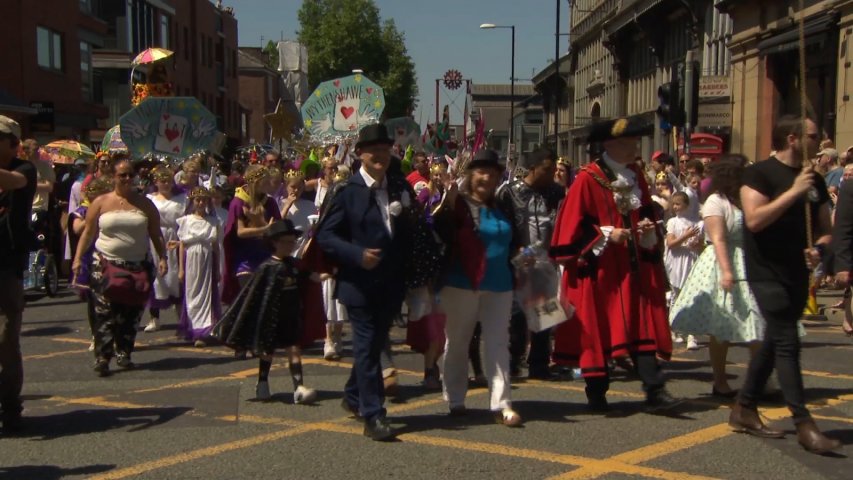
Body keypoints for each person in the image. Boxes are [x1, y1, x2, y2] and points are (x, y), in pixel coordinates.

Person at [550, 117, 681, 412]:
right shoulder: (588, 177)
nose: (635, 148)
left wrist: (649, 227)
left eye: (635, 142)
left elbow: (646, 210)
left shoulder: (636, 175)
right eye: (629, 143)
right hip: (602, 272)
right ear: (611, 145)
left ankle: (655, 390)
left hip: (634, 269)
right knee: (599, 330)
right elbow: (571, 229)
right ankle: (597, 392)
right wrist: (607, 234)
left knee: (642, 324)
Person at [732, 115, 840, 454]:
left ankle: (744, 408)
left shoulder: (815, 180)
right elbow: (755, 220)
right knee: (787, 341)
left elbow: (826, 227)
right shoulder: (759, 174)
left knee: (774, 339)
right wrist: (792, 192)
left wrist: (819, 249)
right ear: (792, 138)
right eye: (813, 135)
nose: (819, 140)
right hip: (766, 271)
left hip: (798, 271)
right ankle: (804, 423)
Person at [316, 123, 413, 441]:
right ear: (360, 155)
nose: (381, 157)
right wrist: (357, 254)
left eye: (386, 151)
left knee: (371, 346)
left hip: (391, 285)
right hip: (358, 285)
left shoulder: (399, 187)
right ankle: (374, 415)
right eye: (374, 152)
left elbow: (407, 233)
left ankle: (354, 396)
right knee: (368, 347)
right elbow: (326, 236)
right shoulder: (347, 191)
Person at [432, 149, 522, 426]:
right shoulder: (458, 204)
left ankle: (502, 403)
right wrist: (447, 203)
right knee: (458, 341)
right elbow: (440, 232)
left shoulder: (502, 205)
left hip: (500, 284)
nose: (487, 178)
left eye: (493, 174)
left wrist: (523, 259)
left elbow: (514, 240)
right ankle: (456, 398)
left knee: (498, 342)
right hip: (462, 283)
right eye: (482, 172)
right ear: (471, 175)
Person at [670, 156, 766, 397]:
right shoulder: (716, 201)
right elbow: (719, 239)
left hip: (747, 261)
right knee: (721, 327)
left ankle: (759, 381)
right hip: (722, 262)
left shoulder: (743, 199)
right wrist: (726, 271)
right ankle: (720, 381)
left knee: (758, 323)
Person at [72, 158, 168, 377]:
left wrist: (163, 257)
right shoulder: (101, 202)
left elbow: (156, 234)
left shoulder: (145, 204)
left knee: (131, 311)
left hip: (137, 264)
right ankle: (103, 357)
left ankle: (124, 352)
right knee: (103, 312)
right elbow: (87, 233)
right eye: (121, 175)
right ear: (113, 177)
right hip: (105, 263)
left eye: (129, 174)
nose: (126, 178)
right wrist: (77, 259)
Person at [217, 220, 318, 404]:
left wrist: (331, 272)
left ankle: (299, 388)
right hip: (270, 317)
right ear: (274, 243)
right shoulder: (267, 267)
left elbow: (312, 276)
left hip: (290, 316)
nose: (290, 245)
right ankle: (262, 382)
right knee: (267, 351)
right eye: (286, 242)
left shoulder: (295, 265)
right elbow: (254, 295)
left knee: (293, 349)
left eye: (292, 241)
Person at [496, 148, 564, 380]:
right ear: (533, 168)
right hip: (516, 261)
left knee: (545, 314)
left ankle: (540, 363)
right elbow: (501, 225)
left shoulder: (556, 193)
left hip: (544, 262)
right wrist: (513, 250)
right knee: (516, 316)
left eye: (554, 170)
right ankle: (513, 361)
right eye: (547, 170)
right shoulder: (509, 193)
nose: (551, 174)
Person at [0, 116, 36, 433]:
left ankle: (10, 406)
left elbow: (12, 182)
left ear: (13, 143)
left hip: (7, 267)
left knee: (6, 339)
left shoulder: (25, 170)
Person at [221, 165, 281, 305]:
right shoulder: (238, 202)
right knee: (249, 300)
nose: (269, 184)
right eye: (265, 181)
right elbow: (241, 232)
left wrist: (260, 222)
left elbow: (277, 228)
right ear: (256, 182)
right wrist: (265, 227)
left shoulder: (270, 202)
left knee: (266, 301)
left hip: (265, 255)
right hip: (245, 258)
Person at [69, 177, 114, 352]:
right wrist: (92, 215)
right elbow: (77, 229)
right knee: (93, 300)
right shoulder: (83, 210)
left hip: (108, 254)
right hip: (89, 256)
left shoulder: (110, 209)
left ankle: (112, 335)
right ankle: (96, 335)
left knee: (111, 296)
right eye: (93, 194)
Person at [143, 167, 186, 332]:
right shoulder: (149, 199)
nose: (166, 184)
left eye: (169, 180)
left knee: (176, 275)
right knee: (155, 277)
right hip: (155, 237)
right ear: (156, 182)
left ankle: (180, 316)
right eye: (163, 181)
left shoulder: (182, 199)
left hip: (175, 237)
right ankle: (154, 318)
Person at [177, 187, 221, 347]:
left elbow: (215, 247)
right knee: (192, 294)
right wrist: (181, 269)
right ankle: (192, 327)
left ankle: (204, 331)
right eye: (198, 200)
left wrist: (217, 269)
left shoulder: (213, 221)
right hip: (191, 259)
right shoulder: (186, 220)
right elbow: (182, 245)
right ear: (193, 202)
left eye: (204, 200)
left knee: (206, 295)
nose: (201, 203)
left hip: (207, 259)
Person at [664, 191, 703, 350]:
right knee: (677, 295)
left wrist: (696, 244)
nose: (675, 207)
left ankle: (692, 335)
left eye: (678, 203)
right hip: (677, 261)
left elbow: (700, 244)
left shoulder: (696, 222)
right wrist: (686, 236)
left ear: (686, 204)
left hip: (691, 259)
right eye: (673, 204)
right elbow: (671, 243)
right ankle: (675, 329)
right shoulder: (672, 222)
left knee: (692, 296)